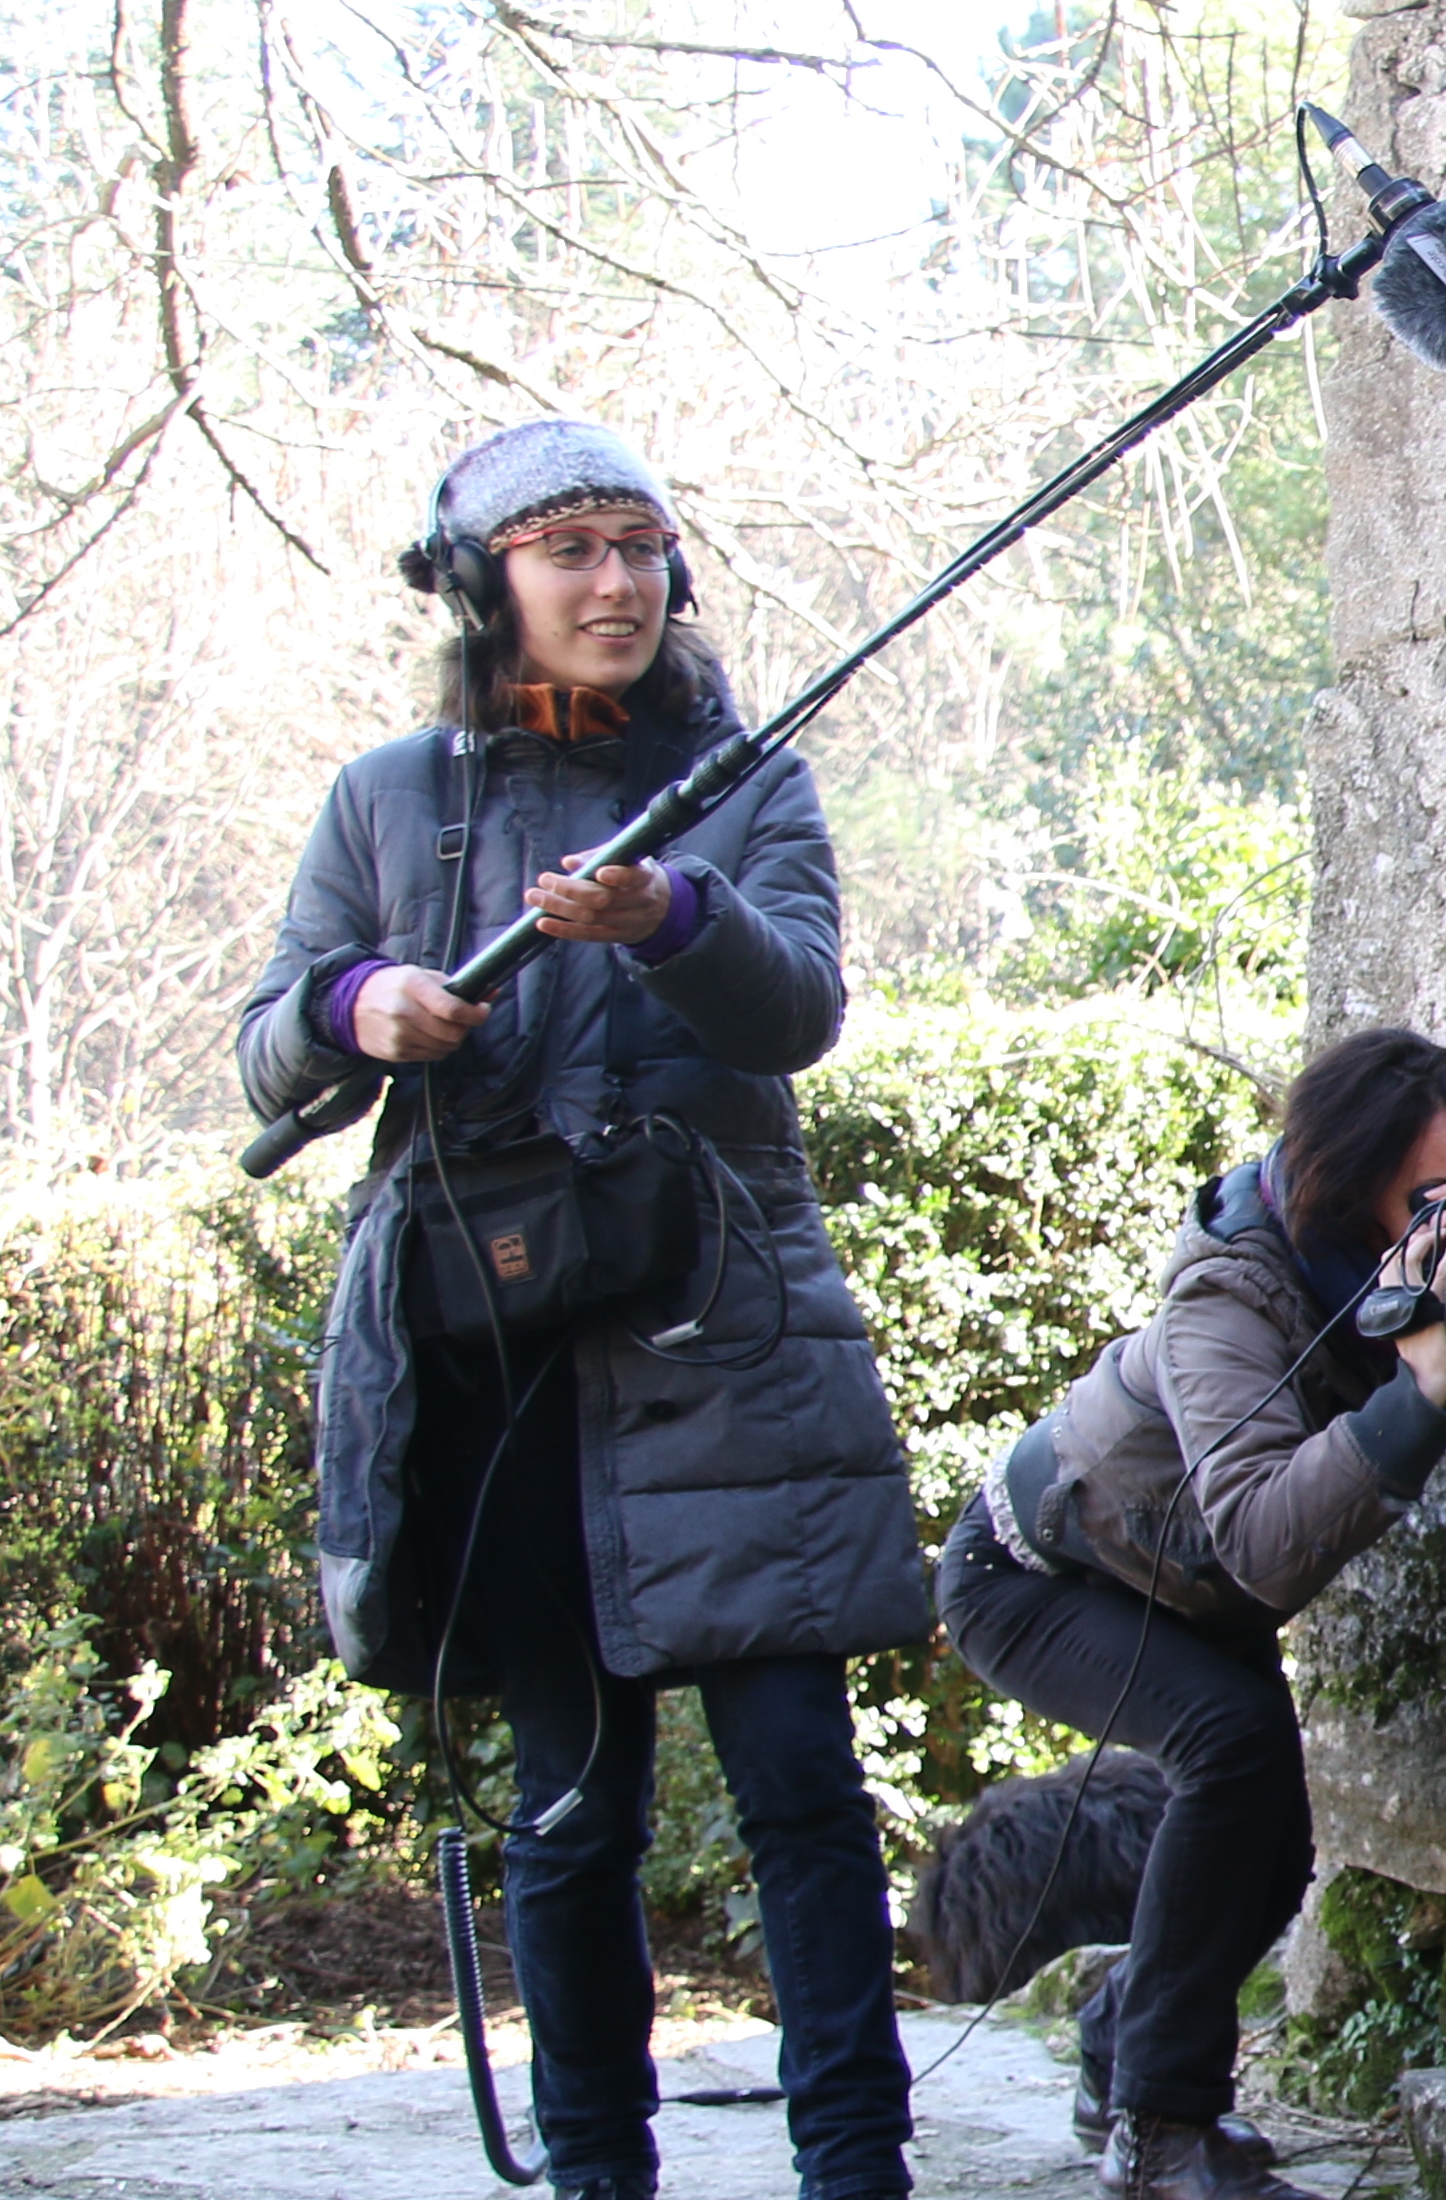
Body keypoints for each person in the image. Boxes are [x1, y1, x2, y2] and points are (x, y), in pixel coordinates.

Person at [237, 418, 929, 2200]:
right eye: (572, 552)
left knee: (796, 1779)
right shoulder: (387, 797)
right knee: (570, 1801)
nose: (616, 583)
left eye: (641, 547)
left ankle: (857, 2166)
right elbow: (272, 1031)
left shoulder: (741, 781)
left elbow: (792, 1012)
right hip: (503, 1365)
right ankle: (596, 2173)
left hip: (728, 1340)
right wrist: (360, 1005)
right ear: (490, 586)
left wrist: (668, 913)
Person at [949, 1027, 1446, 2200]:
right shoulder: (1231, 1292)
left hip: (1185, 1593)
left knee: (1272, 1857)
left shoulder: (1429, 1273)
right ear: (1344, 1180)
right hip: (1037, 1575)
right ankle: (1160, 2135)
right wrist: (1422, 1389)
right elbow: (1264, 1546)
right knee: (1235, 1747)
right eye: (1430, 1198)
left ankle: (1121, 2040)